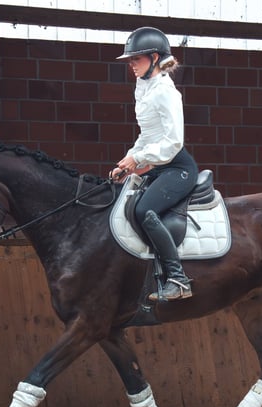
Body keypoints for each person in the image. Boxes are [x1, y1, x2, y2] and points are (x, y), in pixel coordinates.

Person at [110, 26, 198, 302]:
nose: (132, 65)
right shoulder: (145, 88)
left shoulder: (165, 92)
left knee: (146, 209)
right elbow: (148, 137)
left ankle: (178, 278)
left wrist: (139, 158)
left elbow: (173, 142)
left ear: (155, 57)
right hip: (159, 165)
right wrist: (129, 159)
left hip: (178, 168)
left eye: (136, 59)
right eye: (131, 60)